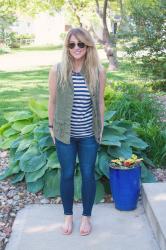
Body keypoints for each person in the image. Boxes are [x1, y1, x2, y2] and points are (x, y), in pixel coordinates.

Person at [48, 27, 105, 236]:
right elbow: (52, 101)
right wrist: (51, 127)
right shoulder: (58, 70)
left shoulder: (98, 71)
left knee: (89, 175)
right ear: (67, 47)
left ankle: (87, 217)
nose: (76, 48)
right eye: (72, 44)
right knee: (67, 174)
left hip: (89, 134)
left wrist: (101, 128)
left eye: (81, 44)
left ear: (88, 45)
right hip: (65, 134)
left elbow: (100, 102)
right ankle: (68, 215)